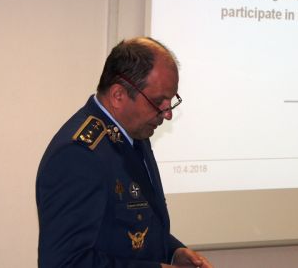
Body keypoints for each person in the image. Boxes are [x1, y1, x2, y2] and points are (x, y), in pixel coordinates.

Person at [36, 37, 213, 268]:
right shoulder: (78, 155)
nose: (168, 113)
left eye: (171, 100)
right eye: (158, 101)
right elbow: (64, 263)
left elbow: (133, 227)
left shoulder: (133, 133)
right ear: (118, 95)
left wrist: (173, 252)